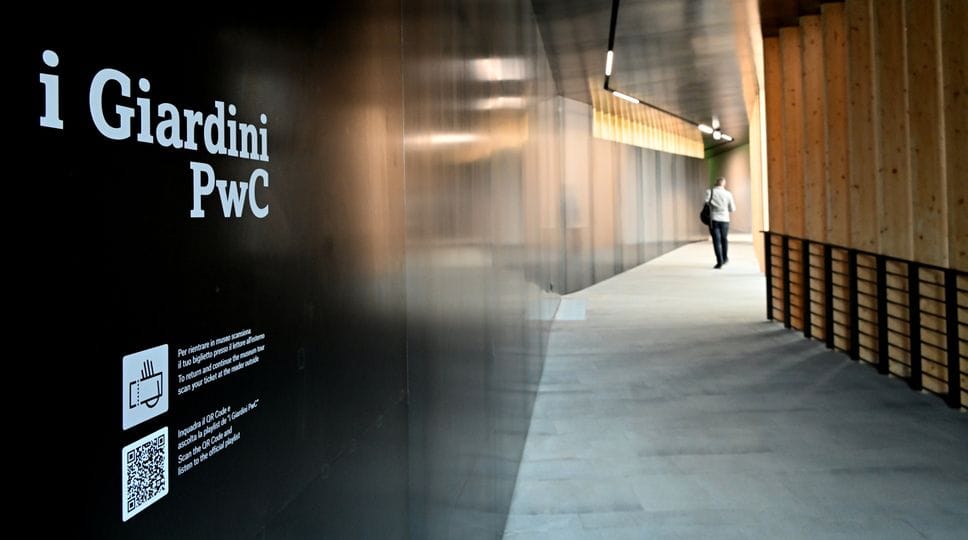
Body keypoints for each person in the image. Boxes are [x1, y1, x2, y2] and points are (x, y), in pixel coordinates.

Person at [705, 177, 735, 269]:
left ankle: (719, 261)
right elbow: (732, 209)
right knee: (724, 239)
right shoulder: (728, 194)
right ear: (723, 184)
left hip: (714, 219)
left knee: (716, 241)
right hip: (725, 219)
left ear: (716, 183)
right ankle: (725, 258)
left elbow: (706, 203)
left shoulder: (709, 192)